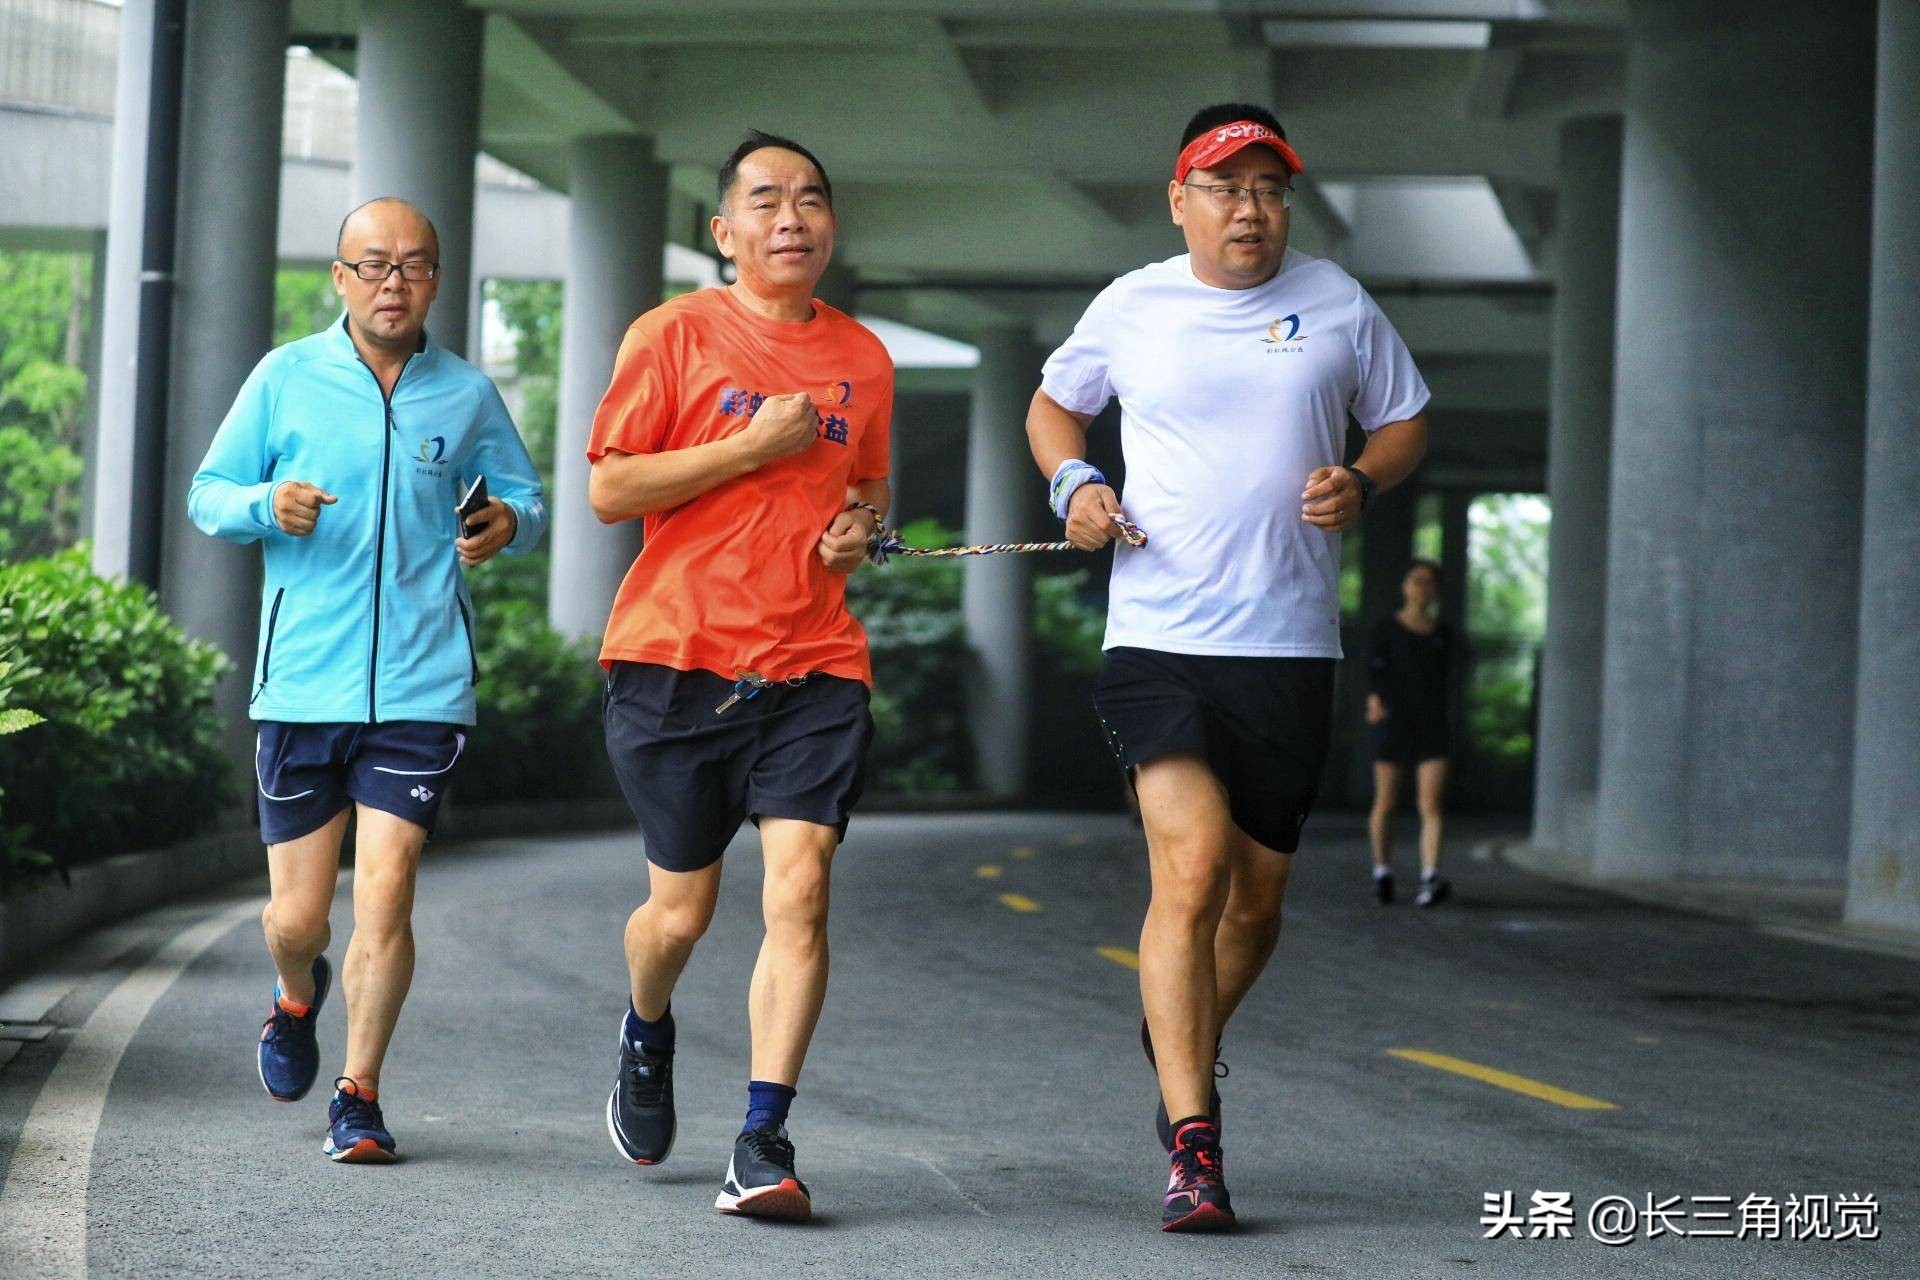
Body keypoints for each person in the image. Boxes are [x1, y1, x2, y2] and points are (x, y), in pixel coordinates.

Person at [1027, 104, 1431, 1231]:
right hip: (1156, 638)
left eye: (1268, 188)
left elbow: (1402, 422)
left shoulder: (1337, 301)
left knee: (1254, 905)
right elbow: (1057, 407)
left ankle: (1176, 1035)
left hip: (1288, 647)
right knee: (1192, 869)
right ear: (1179, 199)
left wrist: (1364, 479)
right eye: (1224, 187)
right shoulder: (1133, 304)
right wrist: (1076, 487)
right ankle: (1194, 1142)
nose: (1249, 208)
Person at [187, 197, 547, 1163]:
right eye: (374, 265)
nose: (395, 283)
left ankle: (359, 1093)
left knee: (387, 896)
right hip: (304, 684)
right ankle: (295, 997)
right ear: (340, 279)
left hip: (422, 686)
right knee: (296, 917)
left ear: (436, 279)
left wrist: (507, 523)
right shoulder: (285, 377)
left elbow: (526, 495)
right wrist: (269, 502)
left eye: (415, 266)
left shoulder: (466, 393)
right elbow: (208, 493)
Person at [587, 131, 892, 1222]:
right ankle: (646, 1023)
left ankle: (762, 1137)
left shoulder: (864, 357)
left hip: (814, 661)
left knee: (801, 887)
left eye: (811, 198)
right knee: (680, 913)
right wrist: (752, 449)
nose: (791, 218)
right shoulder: (674, 335)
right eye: (765, 201)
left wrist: (858, 531)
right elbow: (612, 491)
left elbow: (864, 495)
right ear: (725, 233)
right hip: (675, 658)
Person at [1365, 558, 1456, 907]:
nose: (1422, 587)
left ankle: (1430, 873)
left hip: (1432, 723)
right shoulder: (1384, 630)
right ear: (1404, 585)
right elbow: (1372, 674)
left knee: (1430, 802)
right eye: (1416, 579)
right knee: (1385, 800)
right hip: (1391, 721)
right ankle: (1382, 871)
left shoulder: (1443, 635)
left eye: (1429, 582)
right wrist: (1374, 702)